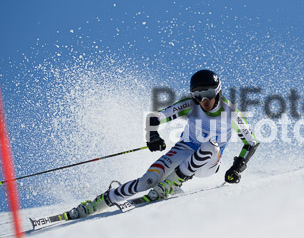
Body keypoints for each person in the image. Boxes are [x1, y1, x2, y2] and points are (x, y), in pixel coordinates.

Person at [68, 69, 259, 219]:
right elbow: (155, 117)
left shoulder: (230, 113)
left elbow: (251, 143)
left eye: (208, 93)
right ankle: (96, 204)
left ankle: (172, 183)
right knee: (147, 182)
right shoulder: (190, 104)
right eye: (198, 94)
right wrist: (153, 136)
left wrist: (237, 167)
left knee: (210, 145)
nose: (204, 100)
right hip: (184, 149)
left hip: (208, 163)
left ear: (218, 91)